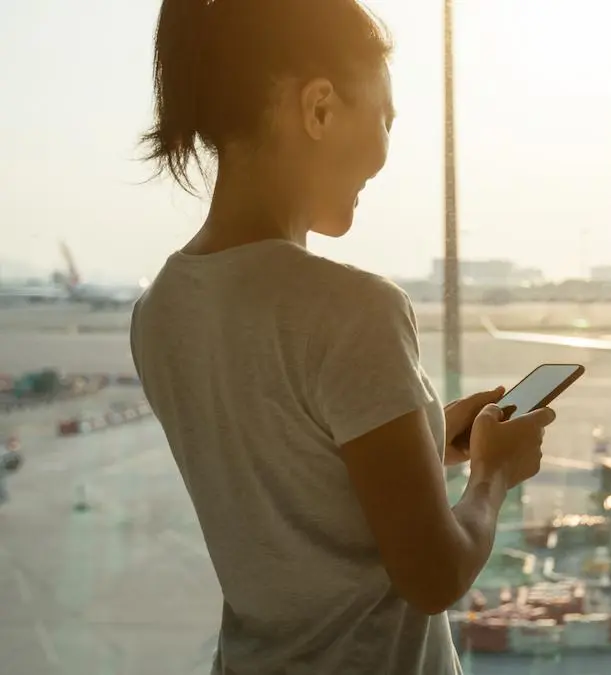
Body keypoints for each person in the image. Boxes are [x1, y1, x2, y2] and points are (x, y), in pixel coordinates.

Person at [130, 1, 556, 673]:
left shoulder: (159, 311)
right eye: (384, 118)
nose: (385, 151)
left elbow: (292, 470)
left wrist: (426, 437)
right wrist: (492, 473)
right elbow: (434, 574)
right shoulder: (354, 310)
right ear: (320, 109)